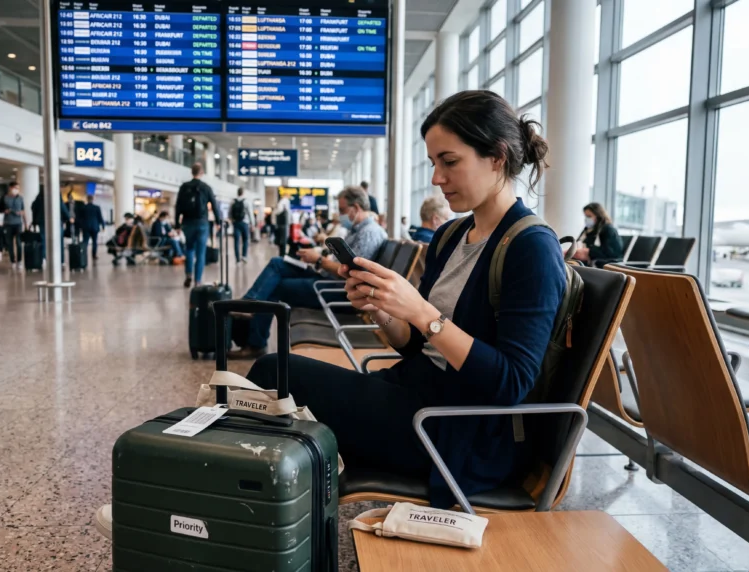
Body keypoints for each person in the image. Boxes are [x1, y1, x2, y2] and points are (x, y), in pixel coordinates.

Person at [244, 90, 565, 508]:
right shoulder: (451, 236)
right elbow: (416, 345)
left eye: (449, 162)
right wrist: (381, 309)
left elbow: (511, 383)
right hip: (413, 394)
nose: (436, 178)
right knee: (276, 381)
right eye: (433, 163)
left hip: (458, 430)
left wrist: (420, 310)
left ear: (497, 157)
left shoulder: (531, 247)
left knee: (273, 373)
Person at [228, 185, 388, 359]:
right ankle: (250, 302)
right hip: (327, 278)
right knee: (277, 263)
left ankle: (256, 341)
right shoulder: (357, 230)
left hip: (338, 290)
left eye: (342, 210)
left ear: (356, 208)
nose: (340, 215)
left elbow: (352, 274)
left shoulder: (369, 233)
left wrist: (319, 260)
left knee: (276, 286)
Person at [175, 162, 221, 287]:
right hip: (202, 223)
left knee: (189, 249)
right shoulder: (206, 187)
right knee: (201, 252)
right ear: (202, 173)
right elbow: (215, 206)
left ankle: (188, 274)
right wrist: (218, 222)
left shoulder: (184, 187)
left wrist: (177, 225)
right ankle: (198, 280)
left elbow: (178, 207)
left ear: (192, 172)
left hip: (187, 222)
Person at [573, 202, 624, 268]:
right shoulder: (587, 230)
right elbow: (578, 243)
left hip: (601, 265)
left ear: (599, 216)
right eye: (585, 216)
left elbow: (611, 253)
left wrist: (589, 252)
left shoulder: (608, 230)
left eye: (589, 216)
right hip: (586, 263)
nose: (586, 219)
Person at [30, 190, 71, 263]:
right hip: (56, 221)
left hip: (42, 222)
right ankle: (61, 260)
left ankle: (44, 258)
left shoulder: (38, 199)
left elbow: (33, 208)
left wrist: (35, 221)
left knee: (44, 240)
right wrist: (68, 217)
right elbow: (62, 208)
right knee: (59, 241)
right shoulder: (56, 197)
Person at [2, 183, 27, 270]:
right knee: (10, 243)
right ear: (10, 188)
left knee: (19, 243)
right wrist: (5, 211)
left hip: (18, 223)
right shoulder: (5, 198)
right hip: (8, 223)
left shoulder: (20, 198)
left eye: (18, 188)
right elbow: (1, 209)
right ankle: (12, 260)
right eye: (15, 188)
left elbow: (23, 211)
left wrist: (25, 223)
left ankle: (19, 260)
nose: (16, 190)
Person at [229, 187, 253, 264]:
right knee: (245, 239)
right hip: (244, 223)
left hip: (236, 223)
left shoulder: (233, 201)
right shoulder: (246, 201)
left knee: (236, 241)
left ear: (237, 193)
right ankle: (244, 256)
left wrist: (231, 220)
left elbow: (230, 212)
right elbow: (250, 213)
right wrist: (252, 223)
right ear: (243, 193)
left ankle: (237, 259)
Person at [79, 195, 105, 260]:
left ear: (87, 199)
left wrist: (80, 227)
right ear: (93, 199)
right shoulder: (97, 207)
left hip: (86, 227)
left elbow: (80, 218)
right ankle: (94, 255)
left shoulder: (83, 208)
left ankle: (84, 255)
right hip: (94, 227)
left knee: (85, 242)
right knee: (94, 242)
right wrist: (103, 226)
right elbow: (100, 217)